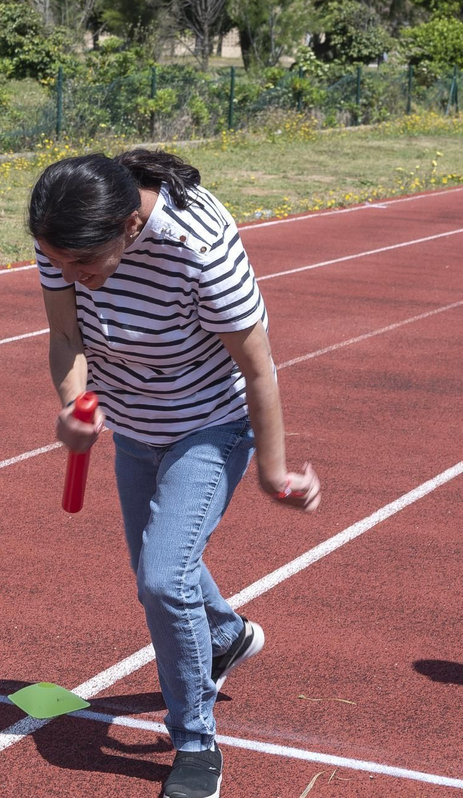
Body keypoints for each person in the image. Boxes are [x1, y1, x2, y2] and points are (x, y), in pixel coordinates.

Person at [29, 149, 322, 798]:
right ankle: (224, 636)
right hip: (134, 425)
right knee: (159, 577)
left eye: (80, 265)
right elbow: (67, 340)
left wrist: (273, 473)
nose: (66, 273)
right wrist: (72, 408)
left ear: (130, 229)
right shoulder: (65, 233)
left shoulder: (199, 250)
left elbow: (258, 368)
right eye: (56, 261)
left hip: (210, 425)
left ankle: (194, 743)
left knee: (164, 579)